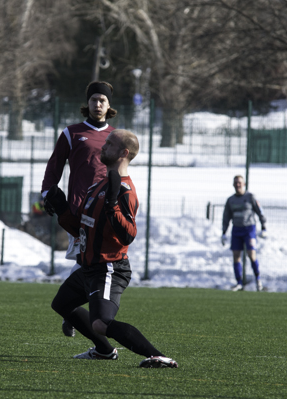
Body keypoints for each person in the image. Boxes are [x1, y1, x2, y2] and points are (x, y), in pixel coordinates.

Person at [44, 129, 178, 368]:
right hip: (88, 267)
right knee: (62, 304)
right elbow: (82, 230)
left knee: (101, 323)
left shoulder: (124, 191)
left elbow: (128, 235)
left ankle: (159, 356)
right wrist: (62, 209)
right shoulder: (97, 186)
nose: (102, 147)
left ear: (123, 153)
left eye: (109, 144)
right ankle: (104, 351)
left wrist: (112, 206)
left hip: (109, 268)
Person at [41, 81, 117, 337]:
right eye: (94, 99)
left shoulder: (116, 137)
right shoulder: (72, 133)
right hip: (78, 210)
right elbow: (54, 165)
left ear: (109, 105)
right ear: (88, 103)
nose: (98, 104)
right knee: (87, 261)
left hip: (105, 211)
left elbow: (122, 174)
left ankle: (70, 310)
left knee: (88, 261)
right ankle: (72, 310)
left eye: (102, 100)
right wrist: (47, 191)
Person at [221, 175, 267, 292]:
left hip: (249, 229)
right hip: (236, 229)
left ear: (244, 184)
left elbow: (260, 212)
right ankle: (239, 282)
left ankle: (258, 280)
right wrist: (224, 232)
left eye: (240, 182)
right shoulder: (230, 200)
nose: (238, 185)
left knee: (252, 254)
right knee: (236, 256)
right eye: (236, 183)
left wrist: (264, 227)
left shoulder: (250, 197)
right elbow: (226, 217)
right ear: (233, 185)